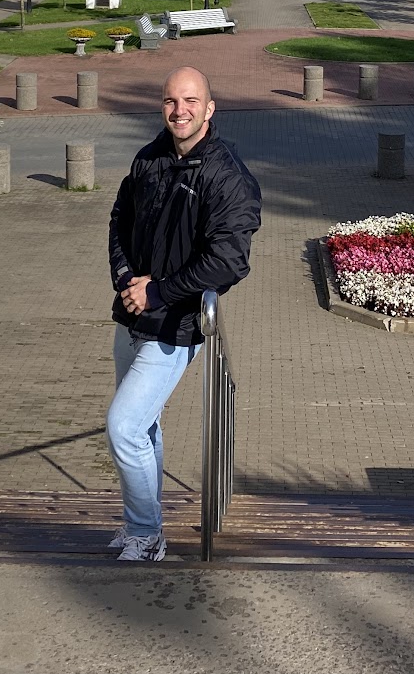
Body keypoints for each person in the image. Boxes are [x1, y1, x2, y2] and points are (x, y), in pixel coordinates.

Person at [106, 65, 260, 562]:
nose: (180, 110)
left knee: (124, 427)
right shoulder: (150, 157)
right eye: (172, 101)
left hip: (176, 325)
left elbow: (229, 261)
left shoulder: (226, 175)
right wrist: (127, 281)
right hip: (133, 315)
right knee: (143, 426)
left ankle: (146, 533)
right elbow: (120, 219)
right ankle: (143, 525)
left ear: (209, 108)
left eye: (191, 101)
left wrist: (159, 293)